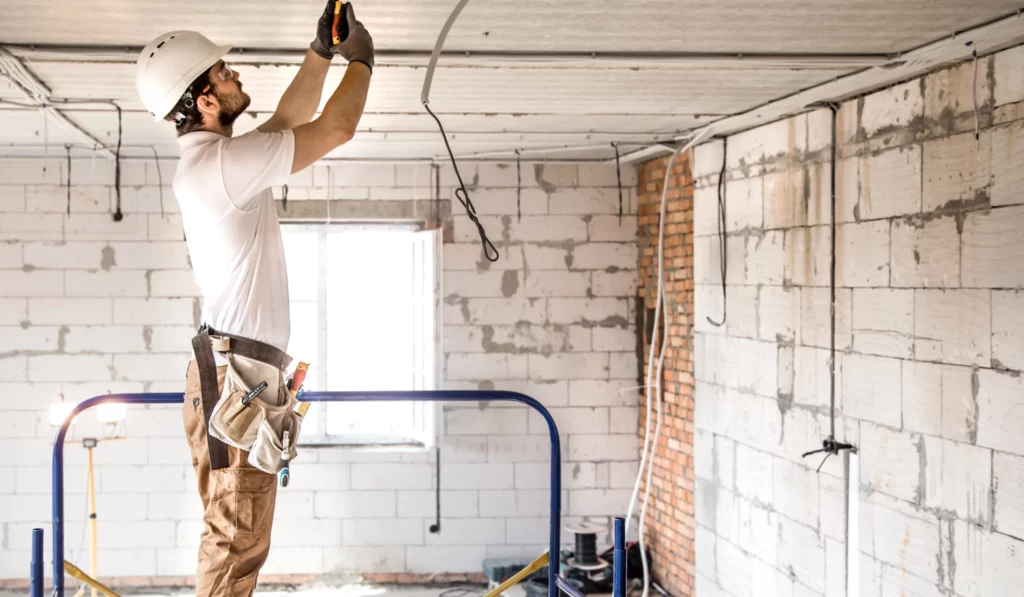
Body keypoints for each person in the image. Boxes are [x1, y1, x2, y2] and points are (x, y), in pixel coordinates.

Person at [133, 2, 374, 595]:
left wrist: (321, 52)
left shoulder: (219, 163)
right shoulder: (218, 170)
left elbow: (289, 121)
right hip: (237, 378)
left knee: (233, 534)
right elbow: (335, 128)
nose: (237, 77)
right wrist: (362, 60)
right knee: (236, 540)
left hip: (230, 373)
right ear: (206, 101)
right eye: (224, 73)